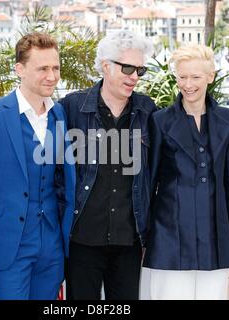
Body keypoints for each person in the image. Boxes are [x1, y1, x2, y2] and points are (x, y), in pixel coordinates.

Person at [0, 32, 75, 300]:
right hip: (9, 243)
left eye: (56, 68)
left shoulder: (60, 114)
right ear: (20, 69)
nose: (52, 76)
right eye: (43, 68)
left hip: (52, 245)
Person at [59, 30, 156, 300]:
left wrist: (222, 164)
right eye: (127, 68)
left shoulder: (147, 110)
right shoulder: (72, 108)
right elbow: (49, 165)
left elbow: (171, 157)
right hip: (82, 239)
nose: (134, 77)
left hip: (129, 241)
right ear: (105, 65)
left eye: (140, 70)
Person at [143, 44, 229, 300]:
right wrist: (144, 236)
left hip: (215, 233)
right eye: (182, 76)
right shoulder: (160, 121)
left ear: (210, 77)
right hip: (169, 234)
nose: (188, 84)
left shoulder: (227, 119)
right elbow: (149, 180)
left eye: (196, 77)